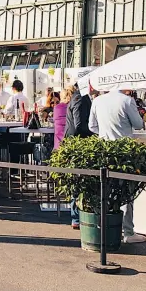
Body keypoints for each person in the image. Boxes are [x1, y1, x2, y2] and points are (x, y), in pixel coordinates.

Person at [89, 90, 146, 244]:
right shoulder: (127, 101)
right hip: (124, 151)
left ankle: (106, 227)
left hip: (104, 150)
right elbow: (139, 124)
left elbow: (92, 126)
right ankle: (128, 231)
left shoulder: (97, 101)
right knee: (127, 191)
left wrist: (104, 133)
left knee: (106, 189)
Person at [64, 85, 93, 229]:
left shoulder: (78, 97)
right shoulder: (80, 98)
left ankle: (77, 216)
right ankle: (77, 217)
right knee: (79, 181)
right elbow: (80, 125)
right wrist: (96, 134)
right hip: (78, 144)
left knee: (77, 181)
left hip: (74, 143)